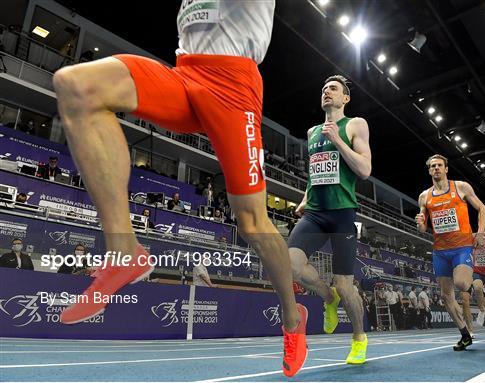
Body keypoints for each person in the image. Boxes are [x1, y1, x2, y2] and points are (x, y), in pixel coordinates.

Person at [52, 1, 307, 376]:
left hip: (234, 87)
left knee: (252, 222)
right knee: (75, 85)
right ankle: (125, 251)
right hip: (185, 75)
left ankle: (291, 316)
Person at [288, 75, 371, 364]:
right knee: (292, 264)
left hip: (342, 214)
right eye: (323, 88)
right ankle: (328, 298)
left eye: (333, 89)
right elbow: (316, 172)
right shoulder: (311, 131)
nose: (326, 92)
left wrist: (338, 139)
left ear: (345, 98)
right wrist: (305, 196)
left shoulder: (355, 124)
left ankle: (359, 338)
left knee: (345, 284)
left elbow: (364, 169)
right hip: (315, 213)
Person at [416, 154, 485, 351]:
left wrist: (480, 233)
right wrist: (421, 224)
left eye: (439, 165)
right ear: (429, 170)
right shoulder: (424, 196)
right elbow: (423, 229)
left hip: (462, 246)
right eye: (432, 166)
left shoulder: (461, 187)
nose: (436, 168)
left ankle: (475, 288)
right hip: (440, 251)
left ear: (446, 169)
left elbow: (482, 209)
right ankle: (465, 335)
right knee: (447, 296)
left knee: (462, 283)